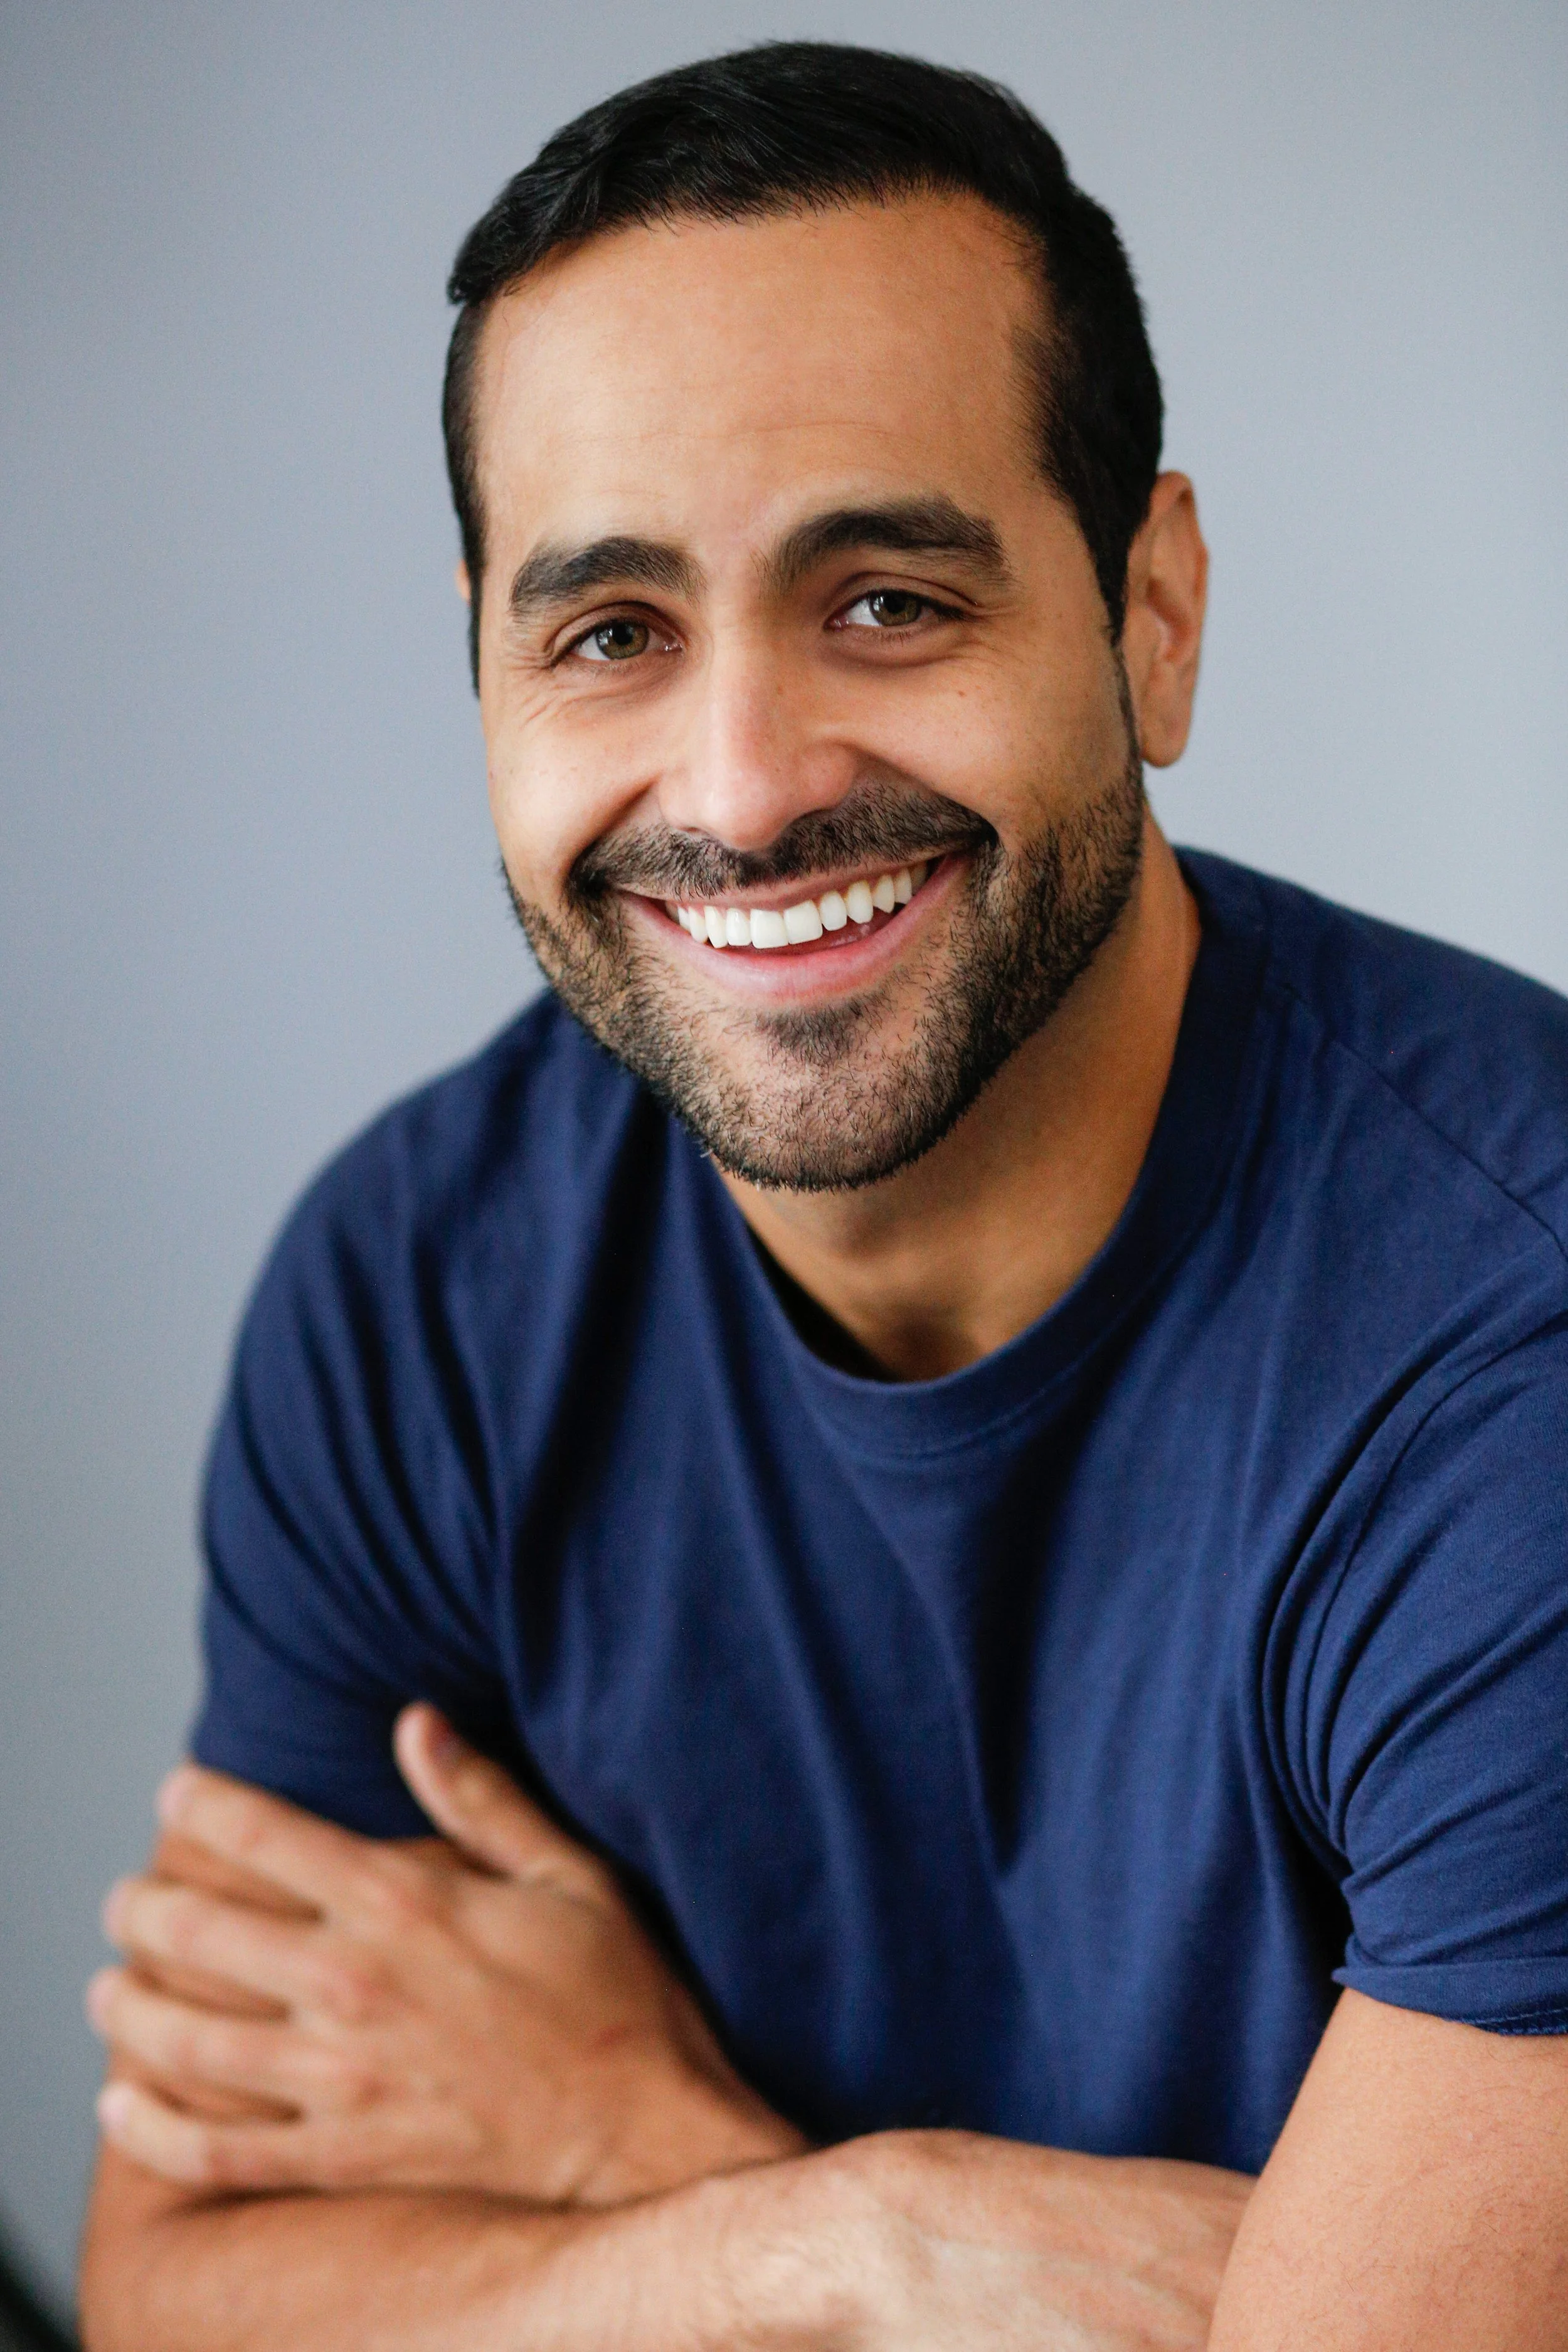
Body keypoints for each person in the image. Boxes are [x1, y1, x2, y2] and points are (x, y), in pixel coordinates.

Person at [77, 41, 1568, 2351]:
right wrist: (826, 2241)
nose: (748, 785)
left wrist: (640, 2143)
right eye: (608, 634)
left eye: (885, 599)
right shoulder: (416, 1295)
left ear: (1150, 614)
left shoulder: (1510, 1346)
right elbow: (175, 2296)